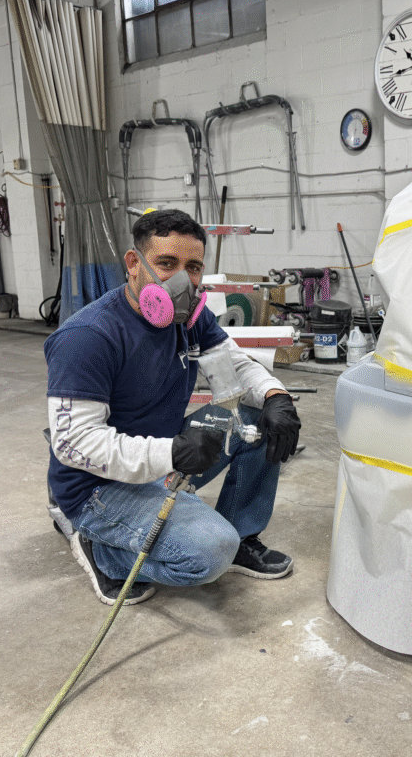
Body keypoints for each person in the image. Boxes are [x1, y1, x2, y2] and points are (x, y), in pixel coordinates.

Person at [43, 208, 301, 606]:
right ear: (134, 263)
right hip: (96, 486)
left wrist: (274, 395)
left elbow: (233, 364)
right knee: (209, 553)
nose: (182, 280)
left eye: (192, 267)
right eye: (166, 263)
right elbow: (74, 443)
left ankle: (243, 533)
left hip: (163, 454)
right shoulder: (88, 337)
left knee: (257, 418)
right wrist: (171, 453)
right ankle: (103, 552)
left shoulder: (189, 319)